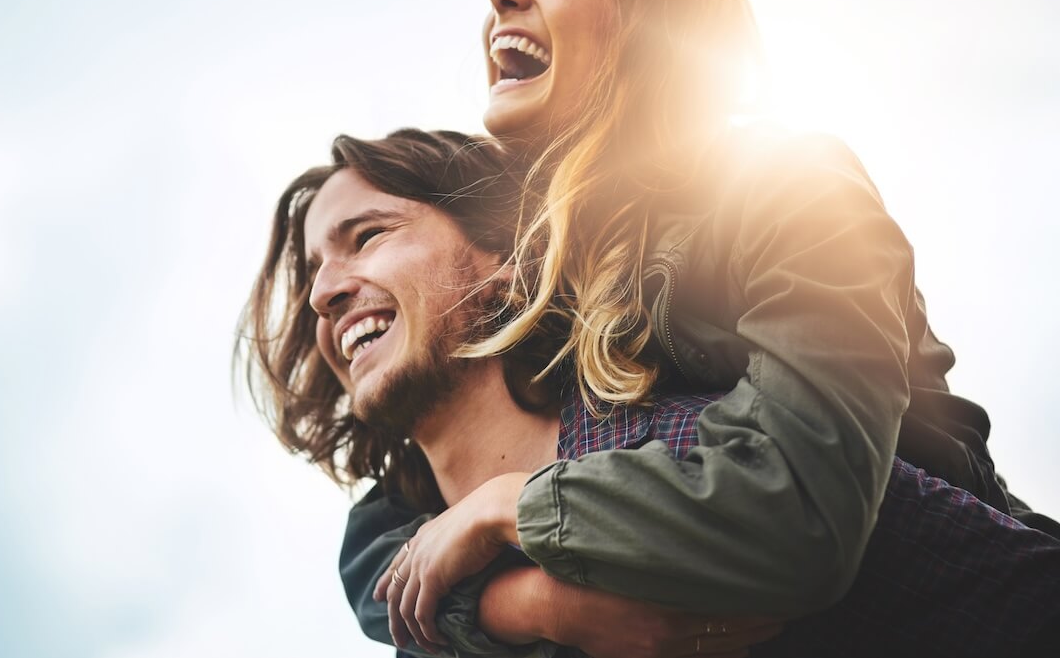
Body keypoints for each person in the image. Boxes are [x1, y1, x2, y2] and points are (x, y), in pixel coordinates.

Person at [316, 0, 1059, 653]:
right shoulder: (554, 295)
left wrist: (516, 505)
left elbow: (799, 500)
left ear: (651, 29)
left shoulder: (787, 181)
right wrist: (540, 605)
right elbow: (386, 540)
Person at [238, 127, 1060, 657]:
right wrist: (547, 606)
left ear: (502, 259)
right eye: (314, 271)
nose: (323, 294)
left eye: (369, 236)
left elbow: (1010, 595)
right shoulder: (433, 605)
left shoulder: (703, 454)